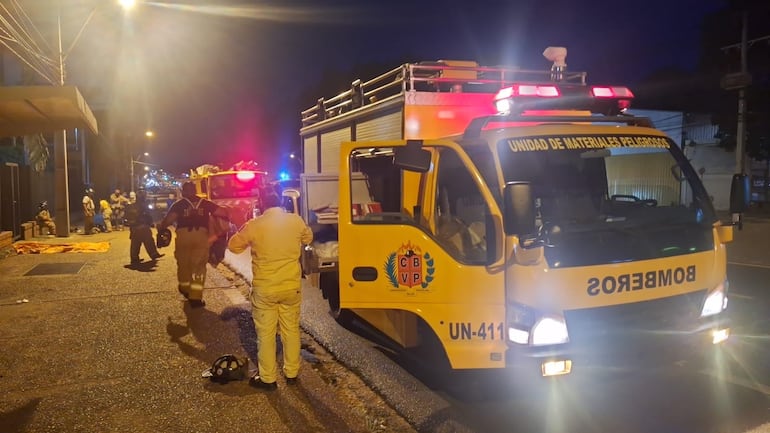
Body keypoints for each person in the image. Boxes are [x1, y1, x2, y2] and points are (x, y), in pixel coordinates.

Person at [227, 192, 313, 390]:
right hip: (291, 287)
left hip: (265, 288)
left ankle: (268, 378)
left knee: (265, 334)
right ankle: (292, 373)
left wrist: (241, 224)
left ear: (261, 204)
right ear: (282, 203)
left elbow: (233, 247)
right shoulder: (295, 220)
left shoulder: (254, 225)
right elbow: (308, 238)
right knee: (291, 330)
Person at [157, 182, 228, 305]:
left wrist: (161, 227)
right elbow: (223, 213)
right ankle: (195, 297)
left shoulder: (178, 205)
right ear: (195, 191)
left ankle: (185, 288)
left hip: (183, 237)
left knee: (183, 264)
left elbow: (168, 220)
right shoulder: (205, 203)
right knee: (199, 266)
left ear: (183, 192)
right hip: (201, 237)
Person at [125, 188, 164, 265]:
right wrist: (151, 223)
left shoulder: (131, 205)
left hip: (134, 227)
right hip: (143, 226)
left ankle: (134, 259)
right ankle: (154, 254)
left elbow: (126, 216)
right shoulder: (144, 205)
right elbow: (148, 215)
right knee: (149, 241)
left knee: (135, 243)